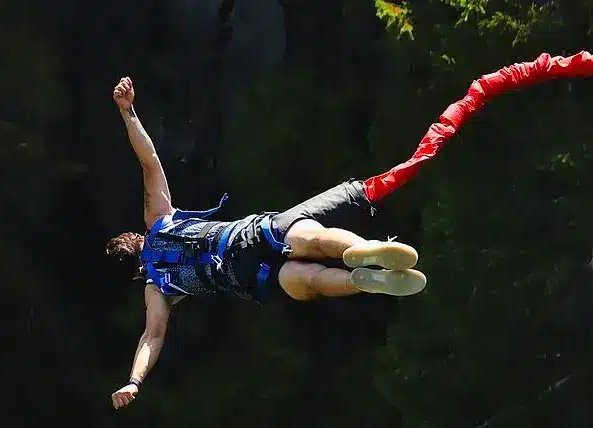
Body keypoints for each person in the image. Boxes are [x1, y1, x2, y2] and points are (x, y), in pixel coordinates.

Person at [104, 77, 427, 409]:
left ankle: (360, 281)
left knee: (312, 281)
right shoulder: (159, 223)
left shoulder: (156, 287)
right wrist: (128, 113)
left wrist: (134, 381)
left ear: (134, 272)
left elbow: (151, 338)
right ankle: (362, 249)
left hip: (251, 278)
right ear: (138, 237)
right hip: (251, 235)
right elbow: (149, 161)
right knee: (314, 238)